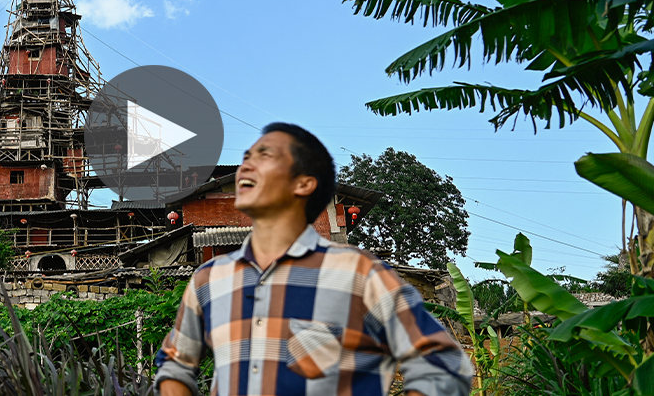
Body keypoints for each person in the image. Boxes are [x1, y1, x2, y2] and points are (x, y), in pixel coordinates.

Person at [154, 123, 472, 396]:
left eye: (265, 156)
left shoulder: (360, 274)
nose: (246, 165)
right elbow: (175, 363)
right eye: (246, 157)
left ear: (304, 183)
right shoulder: (208, 279)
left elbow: (444, 362)